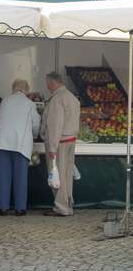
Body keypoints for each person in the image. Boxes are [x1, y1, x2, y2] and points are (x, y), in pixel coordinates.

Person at [0, 79, 41, 216]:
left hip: (3, 141)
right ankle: (20, 208)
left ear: (13, 89)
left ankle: (2, 208)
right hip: (21, 142)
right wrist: (34, 134)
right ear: (27, 90)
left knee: (3, 175)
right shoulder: (30, 104)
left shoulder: (5, 101)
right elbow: (36, 124)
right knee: (20, 176)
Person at [41, 71, 80, 217]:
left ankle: (61, 207)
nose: (47, 87)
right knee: (67, 174)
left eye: (47, 84)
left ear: (52, 83)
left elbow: (55, 125)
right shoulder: (72, 97)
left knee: (58, 176)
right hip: (70, 140)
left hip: (61, 142)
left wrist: (52, 147)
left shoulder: (57, 98)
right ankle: (68, 204)